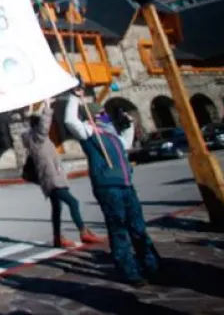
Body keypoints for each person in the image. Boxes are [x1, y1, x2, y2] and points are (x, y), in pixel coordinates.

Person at [63, 89, 160, 286]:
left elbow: (126, 144)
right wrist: (74, 96)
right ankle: (129, 271)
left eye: (103, 114)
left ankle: (151, 265)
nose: (103, 118)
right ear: (91, 117)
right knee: (119, 230)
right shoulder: (88, 133)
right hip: (108, 187)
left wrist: (129, 126)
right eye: (99, 115)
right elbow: (70, 121)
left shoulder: (112, 135)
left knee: (138, 227)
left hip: (126, 185)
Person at [22, 100, 104, 248]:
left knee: (57, 209)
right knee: (73, 202)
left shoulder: (36, 139)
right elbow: (45, 124)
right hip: (53, 179)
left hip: (51, 177)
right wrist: (47, 106)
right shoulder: (38, 138)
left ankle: (57, 238)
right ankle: (83, 231)